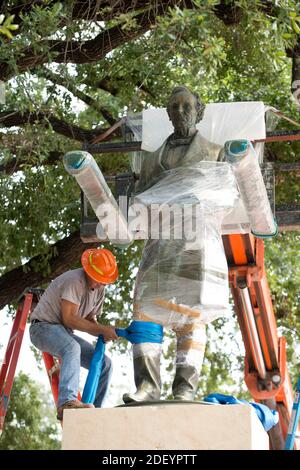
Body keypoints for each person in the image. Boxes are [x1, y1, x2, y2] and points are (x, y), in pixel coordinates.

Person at [123, 86, 237, 403]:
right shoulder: (149, 160)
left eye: (187, 106)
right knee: (144, 312)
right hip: (159, 243)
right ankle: (147, 386)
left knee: (192, 313)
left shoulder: (216, 151)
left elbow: (226, 195)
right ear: (168, 113)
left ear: (199, 112)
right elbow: (141, 199)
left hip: (196, 243)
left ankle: (185, 386)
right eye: (175, 106)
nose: (182, 112)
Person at [29, 247, 119, 420]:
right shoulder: (74, 281)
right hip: (42, 328)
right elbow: (70, 319)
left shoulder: (100, 290)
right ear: (89, 271)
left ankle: (94, 415)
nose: (101, 284)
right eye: (99, 279)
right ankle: (67, 403)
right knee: (72, 348)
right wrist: (102, 330)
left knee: (104, 364)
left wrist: (103, 333)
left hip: (63, 332)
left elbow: (90, 319)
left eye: (105, 281)